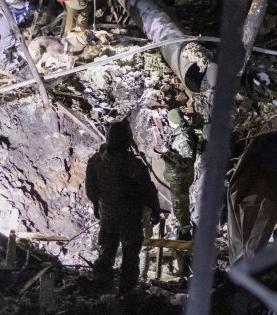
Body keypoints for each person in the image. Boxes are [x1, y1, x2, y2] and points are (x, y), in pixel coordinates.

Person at [85, 120, 163, 296]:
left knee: (106, 251)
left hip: (108, 215)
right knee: (130, 256)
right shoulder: (134, 165)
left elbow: (91, 190)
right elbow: (148, 190)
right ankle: (125, 295)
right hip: (130, 217)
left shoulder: (95, 162)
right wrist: (155, 210)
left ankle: (100, 289)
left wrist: (98, 206)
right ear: (128, 139)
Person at [163, 109, 199, 239]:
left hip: (181, 177)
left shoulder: (184, 138)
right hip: (178, 175)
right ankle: (183, 226)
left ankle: (185, 230)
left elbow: (187, 161)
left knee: (180, 203)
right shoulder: (179, 133)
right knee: (179, 202)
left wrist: (169, 153)